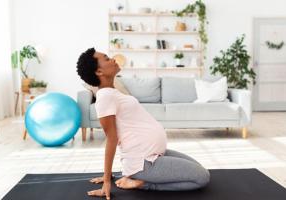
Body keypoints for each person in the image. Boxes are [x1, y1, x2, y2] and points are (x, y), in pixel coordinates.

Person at [76, 48, 210, 199]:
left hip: (153, 154)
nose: (113, 59)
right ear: (99, 72)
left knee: (200, 169)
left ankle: (132, 175)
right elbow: (111, 139)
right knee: (202, 177)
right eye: (106, 59)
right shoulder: (105, 97)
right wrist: (106, 180)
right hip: (143, 163)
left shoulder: (113, 92)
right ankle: (143, 183)